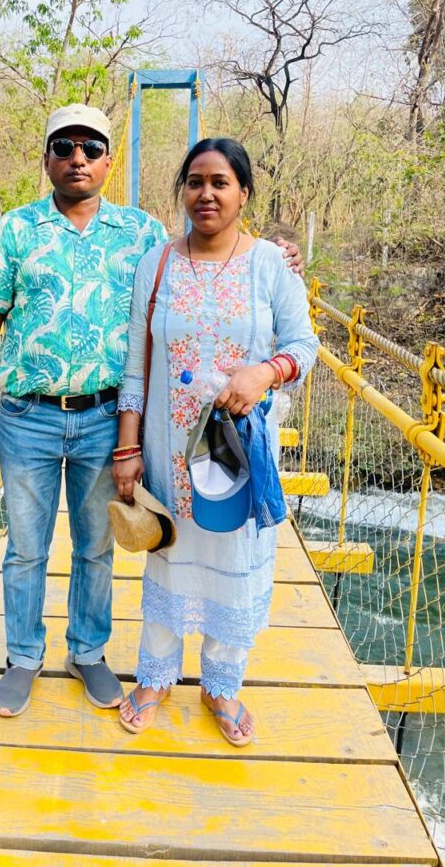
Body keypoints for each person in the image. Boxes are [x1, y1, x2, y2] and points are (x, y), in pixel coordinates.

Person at [0, 105, 304, 719]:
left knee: (96, 546)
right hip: (29, 416)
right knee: (26, 548)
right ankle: (22, 658)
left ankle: (88, 652)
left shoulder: (141, 234)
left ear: (109, 162)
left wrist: (279, 257)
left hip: (104, 416)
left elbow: (211, 247)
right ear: (47, 158)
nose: (78, 158)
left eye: (91, 148)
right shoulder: (14, 230)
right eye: (64, 147)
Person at [112, 137, 319, 744]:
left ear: (243, 193)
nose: (207, 193)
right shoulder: (156, 264)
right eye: (196, 181)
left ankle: (222, 685)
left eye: (221, 182)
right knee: (170, 555)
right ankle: (155, 676)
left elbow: (304, 345)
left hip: (241, 452)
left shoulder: (270, 266)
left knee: (234, 555)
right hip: (168, 448)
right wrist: (127, 450)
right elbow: (134, 365)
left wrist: (265, 372)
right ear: (183, 191)